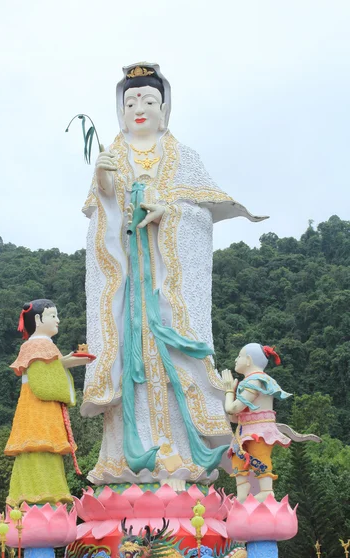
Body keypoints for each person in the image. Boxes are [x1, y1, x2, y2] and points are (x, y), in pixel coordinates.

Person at [80, 63, 267, 491]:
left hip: (166, 291)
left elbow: (201, 212)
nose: (139, 108)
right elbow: (98, 221)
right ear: (119, 111)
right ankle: (123, 458)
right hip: (127, 292)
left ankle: (177, 455)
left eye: (148, 100)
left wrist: (171, 212)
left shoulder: (183, 157)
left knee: (173, 367)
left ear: (165, 109)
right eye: (130, 102)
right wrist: (105, 182)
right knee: (130, 367)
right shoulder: (112, 156)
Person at [5, 299, 92, 505]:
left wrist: (69, 361)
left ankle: (30, 500)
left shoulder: (40, 345)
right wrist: (65, 368)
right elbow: (41, 383)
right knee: (41, 449)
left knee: (39, 450)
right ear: (37, 318)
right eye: (53, 316)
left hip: (33, 411)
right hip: (39, 411)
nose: (58, 320)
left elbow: (49, 370)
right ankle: (42, 500)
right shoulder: (39, 344)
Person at [221, 344, 292, 503]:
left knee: (260, 456)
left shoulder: (256, 380)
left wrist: (228, 391)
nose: (236, 359)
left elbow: (232, 408)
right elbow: (235, 417)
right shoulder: (249, 381)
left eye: (239, 356)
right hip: (245, 429)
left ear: (248, 360)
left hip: (259, 429)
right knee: (236, 456)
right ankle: (242, 491)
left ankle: (267, 491)